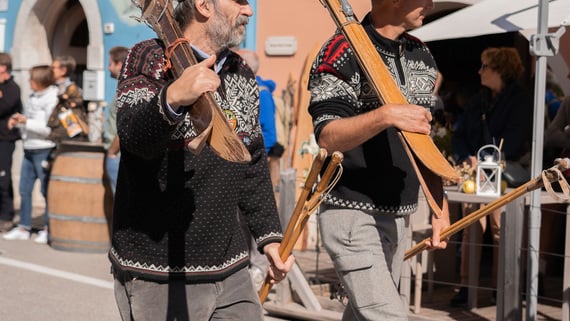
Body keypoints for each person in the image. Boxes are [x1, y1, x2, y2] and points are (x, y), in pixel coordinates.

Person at [108, 1, 295, 320]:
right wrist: (170, 100)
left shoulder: (240, 71)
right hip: (158, 273)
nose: (248, 11)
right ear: (204, 5)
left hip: (232, 269)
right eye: (239, 1)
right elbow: (133, 138)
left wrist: (270, 238)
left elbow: (251, 163)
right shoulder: (146, 57)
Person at [307, 0, 450, 320]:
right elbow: (328, 136)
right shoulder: (341, 49)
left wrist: (439, 205)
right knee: (389, 316)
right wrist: (385, 115)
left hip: (400, 215)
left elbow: (423, 137)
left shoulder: (422, 55)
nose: (431, 4)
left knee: (364, 315)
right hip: (351, 214)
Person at [450, 47, 533, 306]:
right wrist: (467, 158)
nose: (479, 71)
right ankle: (467, 286)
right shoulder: (479, 99)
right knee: (471, 227)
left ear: (499, 69)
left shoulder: (520, 100)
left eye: (484, 66)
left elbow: (517, 139)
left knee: (500, 228)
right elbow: (459, 133)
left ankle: (503, 287)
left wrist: (485, 160)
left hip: (504, 172)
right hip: (476, 172)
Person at [3, 65, 58, 243]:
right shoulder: (33, 96)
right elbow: (29, 120)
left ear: (41, 80)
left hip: (44, 148)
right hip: (29, 148)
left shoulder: (53, 98)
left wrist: (26, 121)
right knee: (24, 190)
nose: (29, 82)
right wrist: (18, 121)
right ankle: (24, 227)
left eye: (32, 79)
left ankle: (48, 229)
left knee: (45, 190)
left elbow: (49, 129)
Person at [0, 53, 22, 232]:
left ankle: (7, 215)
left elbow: (3, 108)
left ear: (3, 67)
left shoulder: (12, 88)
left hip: (5, 140)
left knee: (3, 178)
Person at [103, 46, 129, 194]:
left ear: (119, 64)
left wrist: (112, 152)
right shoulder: (125, 87)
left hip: (118, 156)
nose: (108, 67)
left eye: (110, 63)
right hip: (119, 155)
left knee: (120, 202)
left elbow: (123, 127)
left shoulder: (124, 90)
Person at [47, 55, 88, 146]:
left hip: (67, 134)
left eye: (53, 68)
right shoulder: (50, 88)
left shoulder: (74, 90)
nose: (50, 71)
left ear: (63, 70)